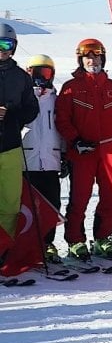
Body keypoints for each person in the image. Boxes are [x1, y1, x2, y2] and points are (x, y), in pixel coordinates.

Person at [55, 38, 112, 260]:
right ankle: (75, 241)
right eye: (87, 57)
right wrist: (75, 140)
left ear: (103, 58)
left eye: (96, 56)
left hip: (110, 154)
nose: (92, 60)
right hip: (82, 154)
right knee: (79, 199)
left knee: (110, 198)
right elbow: (62, 119)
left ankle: (103, 239)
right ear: (80, 60)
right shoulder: (71, 89)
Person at [20, 54, 65, 263]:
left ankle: (47, 244)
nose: (41, 77)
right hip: (27, 161)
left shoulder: (57, 100)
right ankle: (25, 245)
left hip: (50, 161)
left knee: (51, 206)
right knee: (26, 207)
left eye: (45, 73)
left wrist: (65, 155)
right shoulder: (23, 99)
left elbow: (63, 128)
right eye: (36, 73)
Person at [0, 24, 40, 240]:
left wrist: (14, 115)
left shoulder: (21, 77)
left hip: (11, 146)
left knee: (9, 203)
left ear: (13, 47)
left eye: (6, 44)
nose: (1, 49)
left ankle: (4, 250)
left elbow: (32, 108)